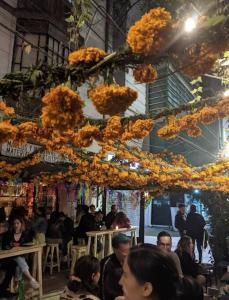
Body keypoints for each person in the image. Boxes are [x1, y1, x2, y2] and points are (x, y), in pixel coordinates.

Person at [2, 217, 39, 289]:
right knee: (18, 259)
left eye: (17, 223)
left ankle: (17, 285)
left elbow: (29, 243)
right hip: (10, 257)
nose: (16, 225)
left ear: (21, 224)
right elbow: (4, 246)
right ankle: (30, 279)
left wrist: (20, 244)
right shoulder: (9, 234)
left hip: (22, 257)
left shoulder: (26, 234)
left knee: (18, 260)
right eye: (14, 224)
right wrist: (11, 245)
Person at [100, 233, 131, 300]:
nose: (127, 254)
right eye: (124, 252)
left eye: (128, 250)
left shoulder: (132, 261)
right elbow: (102, 289)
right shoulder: (107, 263)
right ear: (115, 250)